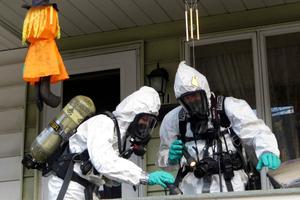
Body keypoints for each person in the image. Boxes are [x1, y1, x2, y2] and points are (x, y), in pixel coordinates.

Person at [157, 61, 281, 194]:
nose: (192, 101)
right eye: (187, 98)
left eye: (195, 95)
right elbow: (164, 157)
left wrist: (267, 150)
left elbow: (257, 131)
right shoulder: (174, 119)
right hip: (192, 190)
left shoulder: (230, 107)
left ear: (204, 91)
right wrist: (170, 158)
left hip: (232, 187)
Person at [48, 86, 175, 200]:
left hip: (88, 189)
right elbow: (104, 163)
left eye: (149, 122)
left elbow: (105, 174)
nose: (145, 125)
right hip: (69, 188)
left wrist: (117, 179)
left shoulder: (119, 137)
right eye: (144, 119)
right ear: (132, 113)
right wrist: (145, 177)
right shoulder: (103, 123)